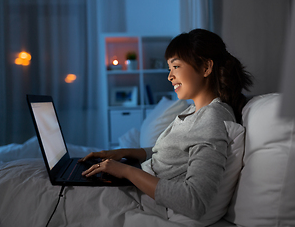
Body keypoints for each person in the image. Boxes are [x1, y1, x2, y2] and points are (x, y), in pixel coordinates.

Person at [79, 28, 253, 221]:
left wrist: (126, 171)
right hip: (140, 183)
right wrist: (127, 152)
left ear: (205, 67)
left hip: (145, 198)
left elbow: (194, 201)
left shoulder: (211, 119)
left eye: (175, 67)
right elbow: (174, 154)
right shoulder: (195, 111)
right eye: (169, 69)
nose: (169, 76)